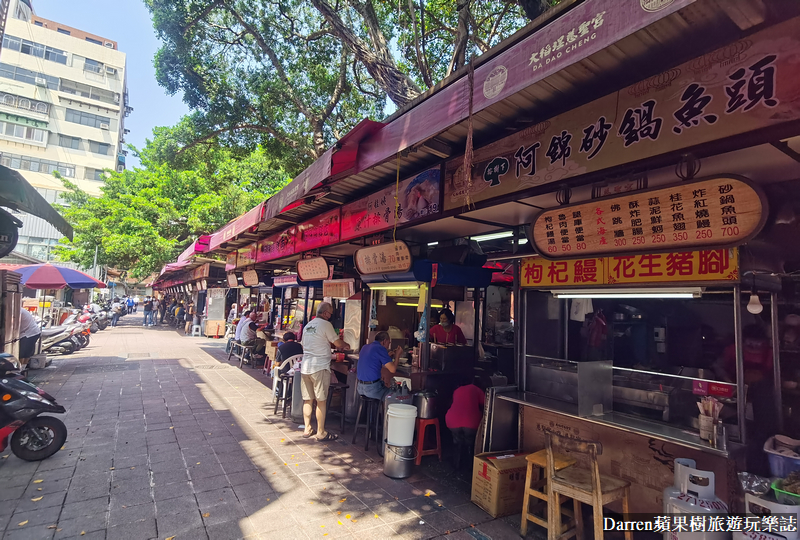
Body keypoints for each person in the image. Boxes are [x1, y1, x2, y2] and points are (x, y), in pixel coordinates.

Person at [300, 302, 348, 441]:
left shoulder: (309, 325)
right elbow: (337, 343)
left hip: (306, 367)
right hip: (319, 367)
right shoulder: (326, 325)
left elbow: (304, 345)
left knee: (308, 400)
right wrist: (346, 345)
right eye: (331, 314)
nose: (331, 316)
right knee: (321, 401)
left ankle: (307, 428)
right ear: (326, 313)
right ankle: (321, 432)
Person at [445, 375, 485, 469]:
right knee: (470, 441)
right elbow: (485, 403)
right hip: (471, 423)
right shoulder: (476, 389)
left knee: (457, 441)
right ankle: (470, 465)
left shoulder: (457, 390)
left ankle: (457, 464)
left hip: (452, 422)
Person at [357, 331, 402, 401]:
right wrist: (397, 356)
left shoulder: (365, 347)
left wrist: (387, 356)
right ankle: (384, 412)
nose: (388, 346)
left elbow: (372, 361)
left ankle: (378, 412)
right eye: (388, 343)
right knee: (397, 396)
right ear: (384, 341)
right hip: (373, 389)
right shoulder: (380, 348)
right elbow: (392, 369)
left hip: (360, 387)